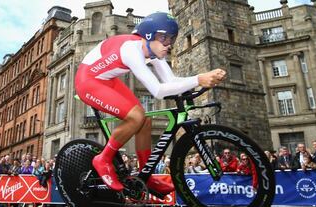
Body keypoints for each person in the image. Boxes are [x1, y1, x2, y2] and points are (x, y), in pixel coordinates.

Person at [74, 12, 226, 193]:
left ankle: (146, 175)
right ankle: (103, 159)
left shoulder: (154, 51)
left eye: (171, 40)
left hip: (108, 79)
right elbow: (158, 90)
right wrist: (199, 79)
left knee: (144, 120)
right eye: (164, 39)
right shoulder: (132, 49)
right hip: (88, 81)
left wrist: (201, 79)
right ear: (148, 36)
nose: (168, 45)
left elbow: (170, 81)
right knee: (136, 116)